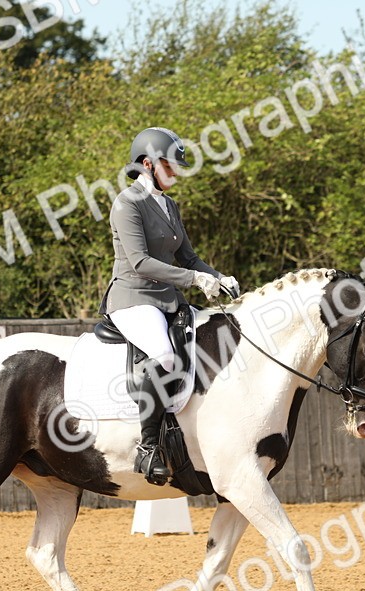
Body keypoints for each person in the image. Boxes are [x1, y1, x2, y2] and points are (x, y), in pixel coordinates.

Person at [101, 127, 239, 485]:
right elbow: (141, 262)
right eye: (169, 164)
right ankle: (148, 446)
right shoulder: (127, 203)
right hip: (134, 297)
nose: (176, 171)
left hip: (168, 300)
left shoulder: (169, 205)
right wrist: (194, 281)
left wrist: (218, 276)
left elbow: (188, 257)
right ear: (147, 164)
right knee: (163, 356)